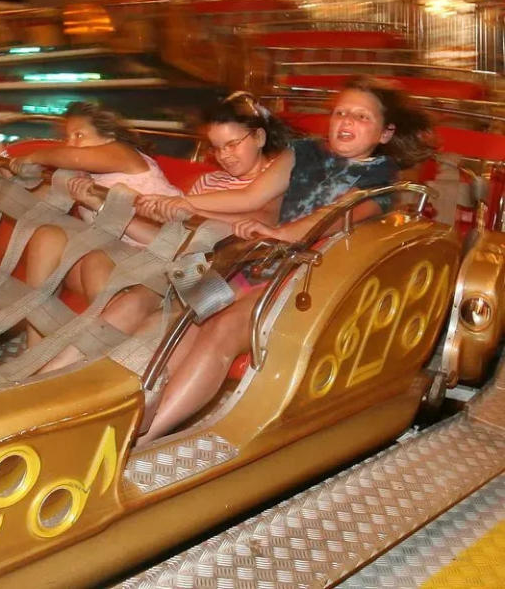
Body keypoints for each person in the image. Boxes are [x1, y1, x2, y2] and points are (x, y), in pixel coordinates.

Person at [132, 77, 436, 444]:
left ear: (385, 133)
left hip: (314, 276)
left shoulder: (382, 180)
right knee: (193, 317)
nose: (346, 122)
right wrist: (187, 203)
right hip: (265, 260)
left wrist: (283, 233)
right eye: (341, 112)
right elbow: (250, 196)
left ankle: (146, 438)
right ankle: (139, 413)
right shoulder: (302, 152)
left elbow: (333, 215)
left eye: (361, 116)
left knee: (222, 329)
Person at [39, 92, 291, 370]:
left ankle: (83, 376)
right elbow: (170, 240)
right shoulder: (207, 182)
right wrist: (107, 207)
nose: (225, 156)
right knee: (126, 290)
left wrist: (185, 209)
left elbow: (252, 224)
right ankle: (56, 372)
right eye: (217, 148)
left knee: (148, 308)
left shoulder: (273, 183)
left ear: (258, 138)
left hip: (220, 276)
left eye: (232, 144)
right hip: (178, 266)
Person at [3, 101, 180, 347]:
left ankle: (109, 349)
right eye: (68, 137)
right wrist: (11, 174)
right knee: (47, 235)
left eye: (79, 135)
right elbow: (35, 203)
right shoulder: (84, 175)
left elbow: (72, 156)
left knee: (96, 258)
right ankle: (35, 345)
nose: (71, 143)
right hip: (114, 258)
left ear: (108, 136)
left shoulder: (124, 154)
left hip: (158, 258)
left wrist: (31, 157)